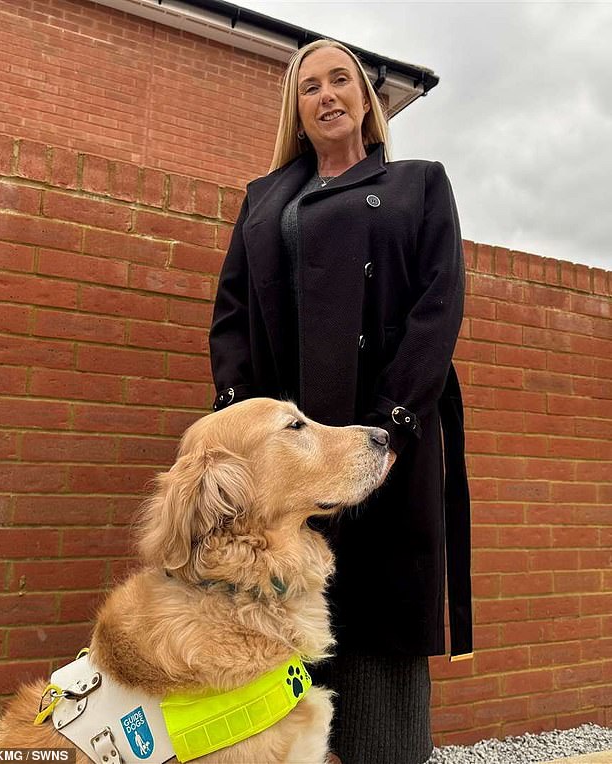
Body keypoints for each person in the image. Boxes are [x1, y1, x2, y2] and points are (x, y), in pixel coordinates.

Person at [209, 38, 472, 764]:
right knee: (280, 616)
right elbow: (232, 314)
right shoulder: (264, 200)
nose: (326, 95)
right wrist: (242, 429)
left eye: (340, 81)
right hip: (288, 453)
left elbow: (437, 307)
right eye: (309, 86)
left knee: (378, 617)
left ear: (367, 99)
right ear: (295, 108)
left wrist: (389, 421)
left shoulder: (421, 184)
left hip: (382, 430)